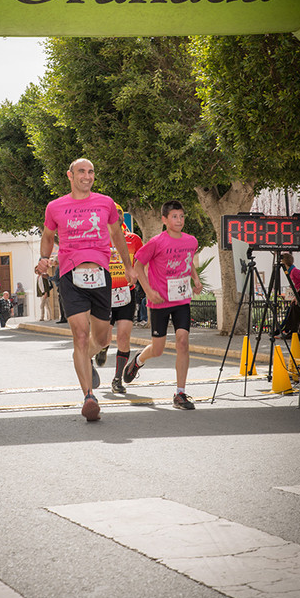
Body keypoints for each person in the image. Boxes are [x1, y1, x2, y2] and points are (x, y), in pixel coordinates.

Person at [35, 157, 136, 422]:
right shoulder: (56, 206)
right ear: (70, 175)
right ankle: (89, 397)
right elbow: (47, 236)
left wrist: (128, 267)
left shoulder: (106, 203)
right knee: (80, 336)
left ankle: (89, 356)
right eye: (81, 171)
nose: (87, 176)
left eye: (91, 171)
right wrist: (43, 259)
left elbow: (117, 235)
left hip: (101, 274)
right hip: (70, 274)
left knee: (102, 339)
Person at [123, 200, 203, 410]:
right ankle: (138, 360)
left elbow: (188, 261)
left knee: (183, 341)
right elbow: (138, 266)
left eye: (182, 216)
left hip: (182, 300)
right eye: (174, 216)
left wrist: (195, 279)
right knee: (158, 350)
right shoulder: (156, 242)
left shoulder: (191, 241)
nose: (179, 220)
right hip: (159, 301)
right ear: (164, 220)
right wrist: (149, 291)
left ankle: (180, 393)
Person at [94, 204, 143, 394]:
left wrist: (138, 276)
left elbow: (141, 262)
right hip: (104, 295)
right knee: (103, 338)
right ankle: (102, 348)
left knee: (123, 336)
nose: (117, 219)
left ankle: (117, 379)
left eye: (119, 216)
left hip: (126, 293)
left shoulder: (133, 239)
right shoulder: (97, 240)